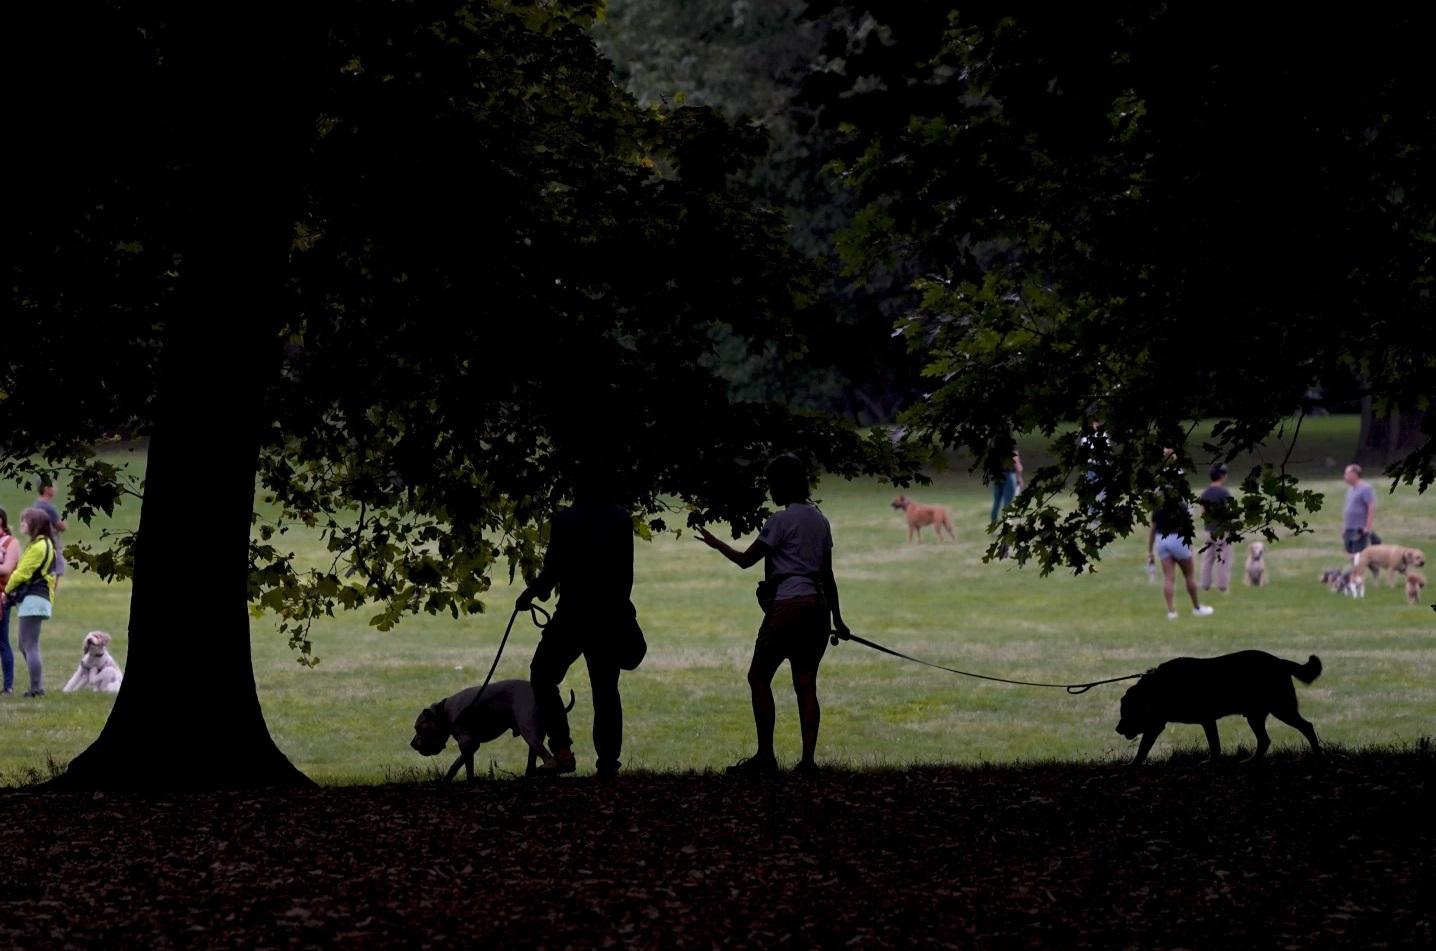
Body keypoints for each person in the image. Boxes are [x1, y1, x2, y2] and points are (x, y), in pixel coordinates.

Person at [696, 454, 850, 775]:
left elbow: (744, 561)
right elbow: (828, 575)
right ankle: (808, 762)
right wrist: (838, 619)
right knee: (806, 684)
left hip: (787, 606)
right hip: (817, 608)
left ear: (782, 485)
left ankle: (765, 757)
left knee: (759, 677)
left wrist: (715, 543)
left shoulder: (779, 522)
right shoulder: (820, 520)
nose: (770, 491)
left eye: (772, 484)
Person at [516, 472, 640, 778]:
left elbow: (552, 571)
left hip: (571, 616)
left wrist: (531, 593)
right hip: (609, 617)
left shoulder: (565, 521)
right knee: (606, 690)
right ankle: (608, 765)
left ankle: (562, 749)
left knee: (542, 676)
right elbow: (625, 575)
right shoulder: (621, 520)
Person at [1146, 454, 1214, 621]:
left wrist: (1149, 550)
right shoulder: (1181, 505)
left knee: (1169, 578)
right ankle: (1197, 608)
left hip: (1162, 540)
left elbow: (1153, 528)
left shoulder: (1158, 506)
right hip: (1178, 539)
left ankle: (1171, 612)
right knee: (1189, 575)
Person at [3, 508, 59, 698]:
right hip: (37, 599)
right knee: (24, 644)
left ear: (34, 524)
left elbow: (21, 573)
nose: (21, 525)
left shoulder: (39, 546)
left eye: (24, 522)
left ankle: (36, 688)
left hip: (34, 599)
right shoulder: (44, 544)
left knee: (29, 646)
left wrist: (7, 590)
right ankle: (36, 686)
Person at [1198, 464, 1235, 593]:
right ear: (1222, 476)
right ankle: (1222, 586)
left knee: (1208, 558)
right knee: (1222, 558)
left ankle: (1205, 584)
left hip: (1209, 530)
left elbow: (1202, 512)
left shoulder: (1205, 493)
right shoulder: (1224, 493)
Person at [33, 476, 67, 586]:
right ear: (47, 488)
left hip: (40, 544)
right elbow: (62, 526)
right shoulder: (48, 508)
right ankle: (49, 602)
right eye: (53, 485)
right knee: (55, 574)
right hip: (52, 545)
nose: (55, 488)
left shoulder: (37, 505)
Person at [1342, 464, 1378, 564]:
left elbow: (1371, 506)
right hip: (1349, 528)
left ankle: (1356, 577)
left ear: (1354, 474)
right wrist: (1344, 528)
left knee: (1357, 555)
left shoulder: (1365, 488)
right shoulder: (1350, 489)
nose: (1344, 476)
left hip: (1359, 529)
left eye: (1346, 474)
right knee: (1349, 553)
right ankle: (1355, 574)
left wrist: (1368, 526)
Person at [0, 509, 18, 695]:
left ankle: (8, 686)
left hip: (2, 597)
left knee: (2, 642)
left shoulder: (11, 542)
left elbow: (6, 568)